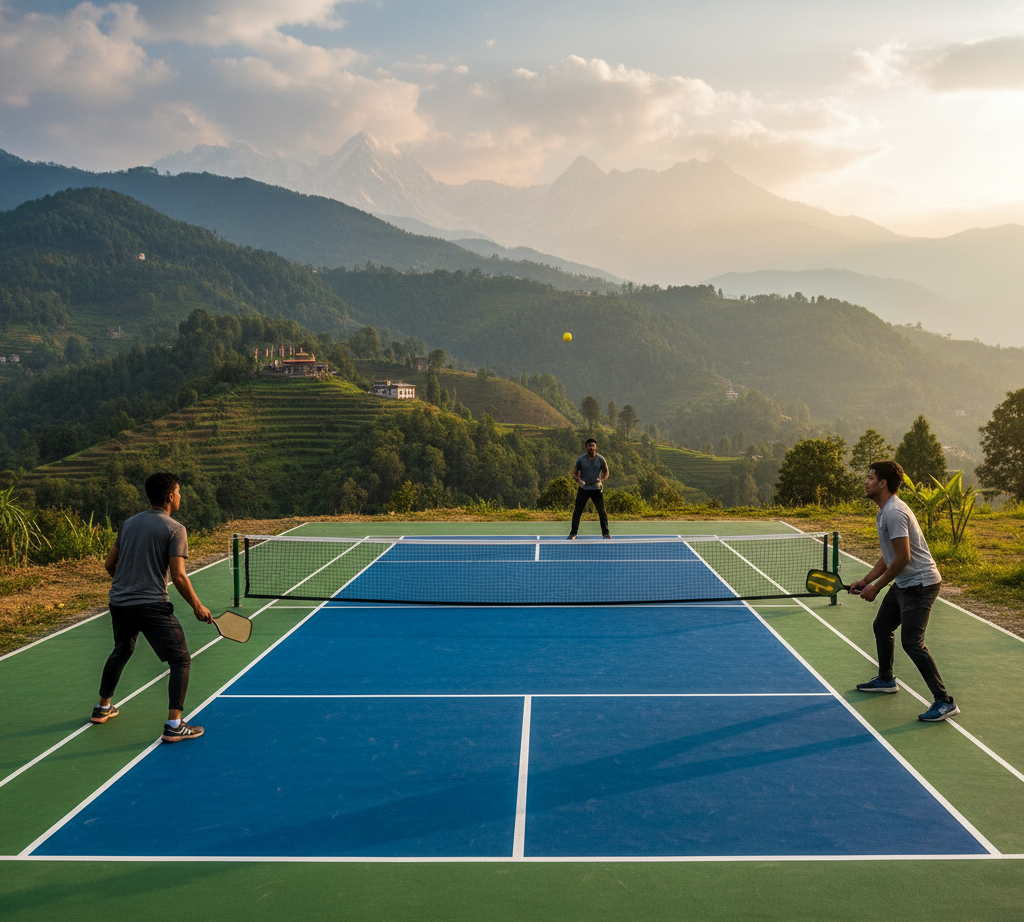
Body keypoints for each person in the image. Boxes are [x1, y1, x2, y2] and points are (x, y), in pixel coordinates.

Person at [90, 472, 213, 742]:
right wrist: (198, 606)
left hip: (120, 603)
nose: (181, 496)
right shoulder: (175, 529)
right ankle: (174, 724)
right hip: (152, 606)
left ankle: (102, 707)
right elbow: (178, 576)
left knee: (122, 650)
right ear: (170, 497)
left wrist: (128, 584)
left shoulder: (129, 524)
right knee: (180, 659)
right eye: (179, 491)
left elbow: (110, 565)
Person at [848, 459, 958, 722]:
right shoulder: (885, 510)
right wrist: (865, 580)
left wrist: (875, 588)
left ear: (883, 483)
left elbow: (903, 558)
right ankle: (886, 679)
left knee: (912, 642)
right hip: (905, 583)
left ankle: (944, 701)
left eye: (870, 477)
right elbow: (889, 556)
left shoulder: (895, 513)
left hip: (920, 585)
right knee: (882, 626)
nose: (866, 481)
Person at [568, 438, 611, 539]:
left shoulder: (601, 459)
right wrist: (578, 480)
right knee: (577, 512)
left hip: (597, 490)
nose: (591, 447)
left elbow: (606, 472)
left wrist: (602, 479)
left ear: (596, 447)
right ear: (586, 447)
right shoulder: (581, 459)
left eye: (593, 445)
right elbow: (574, 472)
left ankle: (605, 533)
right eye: (589, 446)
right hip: (583, 489)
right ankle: (573, 534)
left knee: (602, 512)